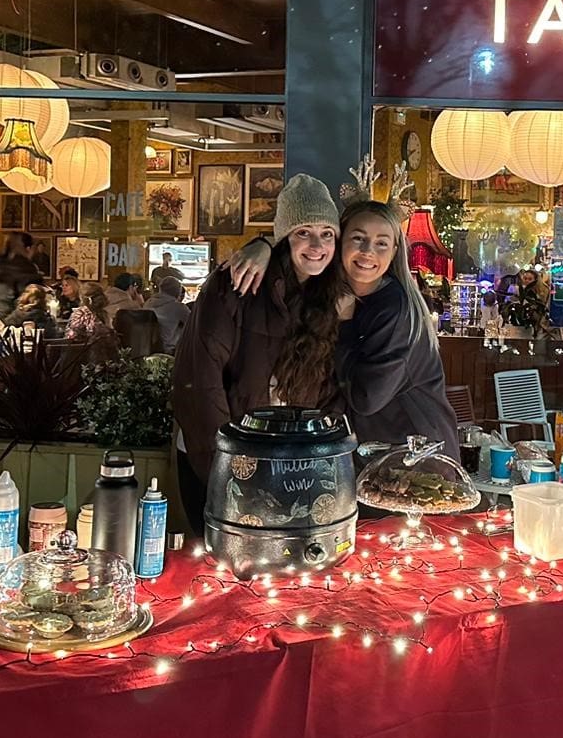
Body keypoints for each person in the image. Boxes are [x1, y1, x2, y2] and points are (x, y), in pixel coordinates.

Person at [173, 174, 343, 531]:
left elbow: (323, 389)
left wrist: (320, 461)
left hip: (284, 463)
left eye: (326, 234)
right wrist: (225, 468)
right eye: (303, 232)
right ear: (284, 238)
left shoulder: (325, 299)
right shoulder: (237, 282)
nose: (316, 245)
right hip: (220, 456)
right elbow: (199, 380)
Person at [328, 200, 457, 451]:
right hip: (372, 451)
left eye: (381, 243)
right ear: (340, 241)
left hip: (413, 456)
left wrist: (344, 325)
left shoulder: (395, 308)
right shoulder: (336, 297)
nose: (368, 250)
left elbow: (367, 398)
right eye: (358, 238)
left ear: (395, 250)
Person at [148, 276, 191, 353]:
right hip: (169, 350)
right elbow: (194, 324)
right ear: (178, 291)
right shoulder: (179, 307)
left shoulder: (148, 302)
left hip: (148, 347)